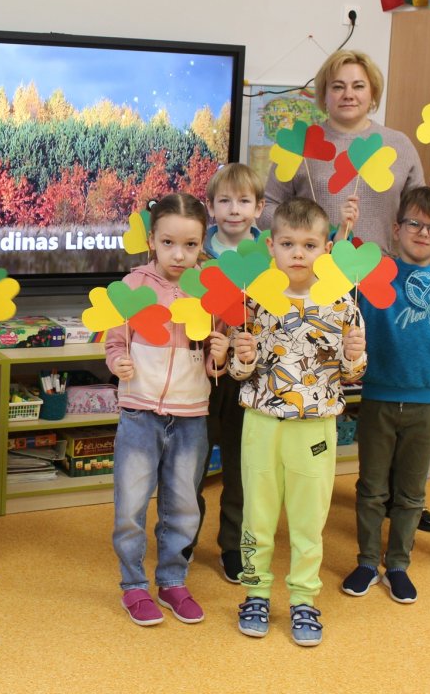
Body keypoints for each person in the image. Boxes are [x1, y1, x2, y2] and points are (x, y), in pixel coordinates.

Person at [229, 198, 367, 646]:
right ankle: (255, 592)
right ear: (271, 246)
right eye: (288, 243)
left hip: (314, 428)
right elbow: (237, 372)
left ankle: (304, 599)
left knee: (309, 520)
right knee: (258, 515)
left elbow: (353, 373)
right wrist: (242, 357)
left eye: (309, 245)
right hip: (262, 423)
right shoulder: (253, 300)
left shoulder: (342, 303)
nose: (298, 253)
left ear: (326, 249)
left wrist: (354, 355)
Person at [342, 186, 430, 605]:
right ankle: (367, 561)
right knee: (372, 488)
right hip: (378, 398)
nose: (423, 233)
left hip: (425, 404)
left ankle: (398, 565)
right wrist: (343, 231)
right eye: (414, 224)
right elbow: (336, 280)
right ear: (396, 228)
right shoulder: (376, 272)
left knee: (410, 494)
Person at [106, 193, 229, 627]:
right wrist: (117, 362)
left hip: (191, 415)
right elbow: (115, 342)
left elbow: (214, 360)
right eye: (169, 243)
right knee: (130, 507)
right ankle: (133, 585)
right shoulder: (133, 286)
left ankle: (173, 580)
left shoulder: (210, 288)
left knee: (183, 506)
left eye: (191, 245)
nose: (179, 255)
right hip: (140, 412)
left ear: (202, 243)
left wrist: (220, 355)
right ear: (152, 242)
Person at [259, 49, 425, 256]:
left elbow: (420, 214)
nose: (348, 95)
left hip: (385, 269)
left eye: (358, 86)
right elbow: (266, 209)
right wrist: (303, 230)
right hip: (314, 269)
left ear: (373, 92)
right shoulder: (298, 145)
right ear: (324, 95)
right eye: (338, 87)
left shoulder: (399, 145)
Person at [189, 163, 265, 583]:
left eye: (243, 201)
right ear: (211, 207)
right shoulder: (198, 254)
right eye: (225, 201)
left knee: (240, 467)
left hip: (248, 378)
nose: (234, 209)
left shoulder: (270, 255)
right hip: (201, 375)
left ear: (259, 208)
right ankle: (183, 538)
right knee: (192, 464)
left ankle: (233, 545)